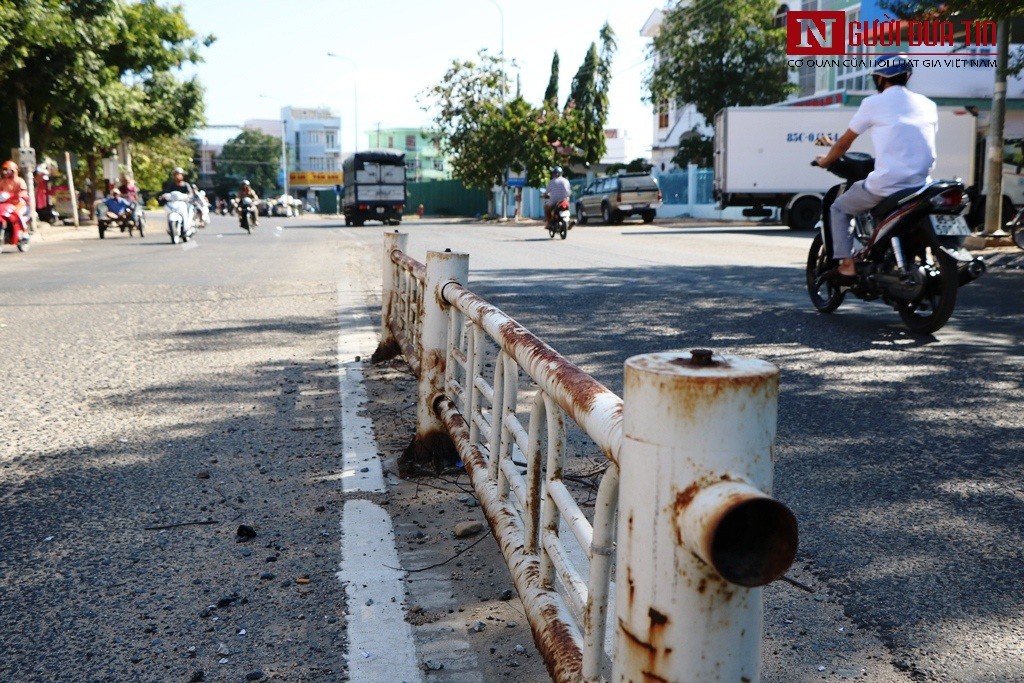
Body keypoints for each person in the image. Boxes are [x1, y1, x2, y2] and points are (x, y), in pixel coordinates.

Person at [815, 55, 937, 279]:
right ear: (907, 76)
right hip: (922, 184)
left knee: (839, 208)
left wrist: (826, 160)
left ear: (879, 79)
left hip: (888, 184)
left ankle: (847, 264)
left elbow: (844, 143)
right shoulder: (928, 105)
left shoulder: (872, 103)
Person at [0, 160, 30, 241]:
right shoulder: (2, 182)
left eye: (9, 170)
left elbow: (23, 191)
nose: (7, 172)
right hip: (6, 205)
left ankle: (25, 232)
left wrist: (17, 195)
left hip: (19, 204)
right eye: (5, 170)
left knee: (17, 213)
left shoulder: (20, 181)